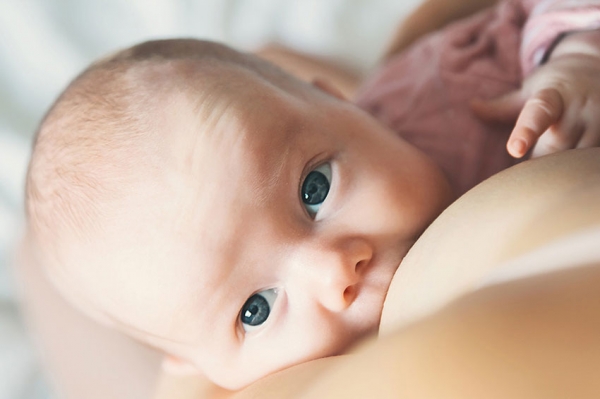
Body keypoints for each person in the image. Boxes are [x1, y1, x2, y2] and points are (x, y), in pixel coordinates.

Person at [20, 0, 600, 395]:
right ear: (194, 366)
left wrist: (573, 56)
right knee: (32, 262)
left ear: (345, 107)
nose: (331, 273)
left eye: (314, 189)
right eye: (256, 309)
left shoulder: (453, 92)